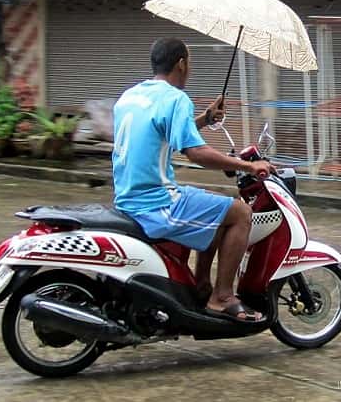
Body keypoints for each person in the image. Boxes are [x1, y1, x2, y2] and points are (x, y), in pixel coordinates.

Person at [112, 37, 274, 323]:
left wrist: (205, 119)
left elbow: (158, 135)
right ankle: (222, 297)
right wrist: (248, 167)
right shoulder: (175, 99)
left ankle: (201, 286)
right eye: (191, 63)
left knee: (214, 202)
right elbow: (196, 153)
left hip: (128, 197)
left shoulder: (131, 96)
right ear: (182, 64)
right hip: (156, 203)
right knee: (240, 213)